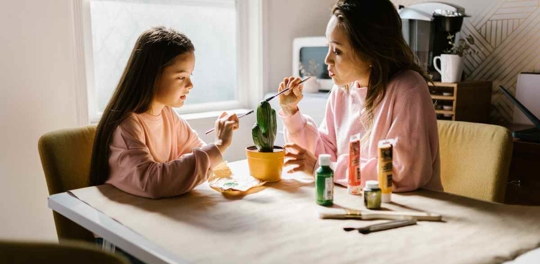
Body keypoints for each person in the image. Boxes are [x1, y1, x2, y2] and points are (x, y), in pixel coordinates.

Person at [278, 0, 442, 192]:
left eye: (337, 51)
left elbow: (402, 172)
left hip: (412, 211)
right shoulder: (342, 90)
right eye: (328, 47)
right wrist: (292, 113)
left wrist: (325, 169)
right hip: (358, 203)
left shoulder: (408, 88)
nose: (327, 59)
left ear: (370, 52)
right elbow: (325, 154)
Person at [89, 26, 239, 198]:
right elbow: (153, 183)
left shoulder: (167, 114)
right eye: (181, 77)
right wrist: (219, 145)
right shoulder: (127, 125)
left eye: (190, 75)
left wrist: (231, 182)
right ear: (152, 76)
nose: (190, 85)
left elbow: (199, 154)